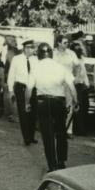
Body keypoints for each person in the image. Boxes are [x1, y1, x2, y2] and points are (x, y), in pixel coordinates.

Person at [27, 42, 77, 172]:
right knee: (61, 132)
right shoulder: (61, 67)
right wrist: (76, 102)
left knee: (47, 134)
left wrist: (27, 103)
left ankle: (52, 164)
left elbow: (29, 88)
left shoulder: (36, 68)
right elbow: (72, 87)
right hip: (58, 101)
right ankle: (61, 161)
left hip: (43, 102)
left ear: (39, 54)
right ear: (51, 54)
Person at [7, 40, 38, 145]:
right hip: (21, 87)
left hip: (33, 88)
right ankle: (26, 137)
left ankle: (32, 135)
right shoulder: (16, 59)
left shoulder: (35, 59)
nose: (32, 50)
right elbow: (11, 75)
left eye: (33, 47)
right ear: (24, 48)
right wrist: (11, 90)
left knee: (33, 113)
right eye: (30, 47)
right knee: (24, 113)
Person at [69, 42, 90, 136]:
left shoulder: (81, 60)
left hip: (82, 85)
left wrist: (87, 83)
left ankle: (81, 127)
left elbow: (84, 73)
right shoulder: (72, 60)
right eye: (76, 49)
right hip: (76, 84)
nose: (79, 51)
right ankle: (78, 129)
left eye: (79, 49)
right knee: (77, 107)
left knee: (84, 107)